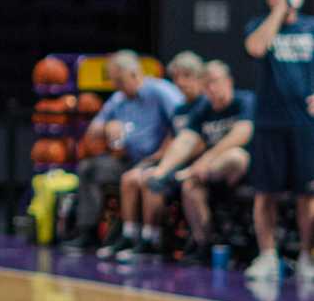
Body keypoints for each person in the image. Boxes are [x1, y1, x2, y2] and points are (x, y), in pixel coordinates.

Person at [136, 58, 254, 266]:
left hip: (243, 170)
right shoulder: (203, 109)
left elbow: (242, 133)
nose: (211, 88)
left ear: (228, 81)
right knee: (190, 188)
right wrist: (161, 171)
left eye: (215, 81)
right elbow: (185, 140)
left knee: (234, 155)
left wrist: (206, 160)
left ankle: (184, 174)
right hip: (207, 173)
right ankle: (204, 244)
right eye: (206, 84)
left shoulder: (245, 100)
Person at [243, 0, 314, 288]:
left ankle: (307, 256)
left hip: (305, 126)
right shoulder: (260, 25)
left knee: (307, 194)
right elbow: (256, 48)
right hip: (270, 123)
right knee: (265, 193)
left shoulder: (311, 27)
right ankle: (268, 255)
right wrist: (277, 13)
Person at [72, 49, 180, 257]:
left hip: (157, 159)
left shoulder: (160, 91)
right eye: (114, 82)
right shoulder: (118, 98)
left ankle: (143, 237)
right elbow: (92, 129)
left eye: (119, 81)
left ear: (134, 74)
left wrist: (160, 155)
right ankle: (88, 231)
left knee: (139, 178)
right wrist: (106, 127)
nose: (116, 86)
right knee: (89, 168)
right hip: (127, 159)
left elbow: (183, 125)